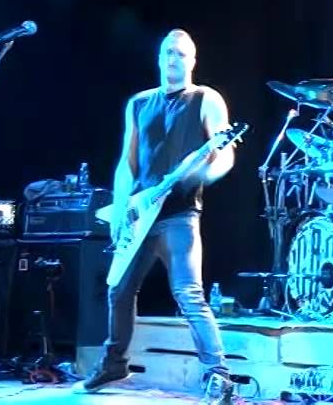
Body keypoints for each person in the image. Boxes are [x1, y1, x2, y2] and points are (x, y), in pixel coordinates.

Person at [75, 29, 237, 404]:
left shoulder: (206, 98)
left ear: (192, 60)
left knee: (188, 292)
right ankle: (114, 364)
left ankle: (218, 375)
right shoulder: (139, 103)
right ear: (159, 57)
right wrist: (120, 210)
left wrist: (205, 173)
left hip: (180, 215)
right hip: (140, 215)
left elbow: (224, 152)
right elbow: (127, 162)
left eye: (180, 53)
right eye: (167, 52)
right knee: (118, 289)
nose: (172, 59)